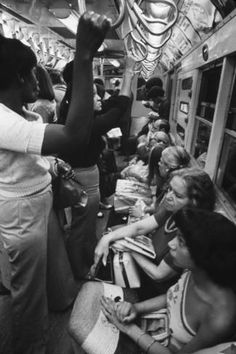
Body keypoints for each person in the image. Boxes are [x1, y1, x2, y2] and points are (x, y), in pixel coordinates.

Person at [0, 11, 111, 354]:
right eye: (33, 71)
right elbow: (76, 135)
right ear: (19, 77)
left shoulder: (19, 114)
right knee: (28, 293)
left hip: (38, 200)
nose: (39, 78)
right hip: (20, 214)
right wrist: (84, 55)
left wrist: (47, 163)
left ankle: (62, 303)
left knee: (55, 268)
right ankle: (32, 346)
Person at [96, 208, 236, 353]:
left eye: (180, 241)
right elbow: (173, 296)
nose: (171, 244)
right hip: (157, 325)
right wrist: (137, 308)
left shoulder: (220, 318)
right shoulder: (192, 271)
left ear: (205, 256)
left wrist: (129, 329)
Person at [58, 55, 137, 280]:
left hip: (86, 177)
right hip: (84, 180)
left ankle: (88, 260)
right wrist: (129, 72)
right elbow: (118, 108)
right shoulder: (86, 126)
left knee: (86, 224)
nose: (100, 97)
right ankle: (80, 270)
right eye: (93, 95)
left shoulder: (80, 117)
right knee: (80, 228)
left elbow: (114, 104)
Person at [91, 167, 215, 298]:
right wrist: (107, 238)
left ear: (195, 203)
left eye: (177, 195)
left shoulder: (191, 235)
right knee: (111, 234)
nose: (168, 196)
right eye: (169, 189)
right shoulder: (172, 210)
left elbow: (158, 275)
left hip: (154, 289)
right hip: (142, 270)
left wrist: (129, 249)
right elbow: (140, 228)